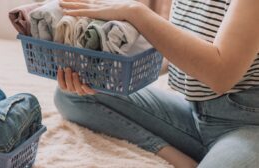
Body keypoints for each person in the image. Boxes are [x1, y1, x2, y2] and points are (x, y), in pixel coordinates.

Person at [54, 0, 259, 167]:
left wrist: (135, 12)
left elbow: (220, 75)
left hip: (248, 125)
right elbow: (179, 53)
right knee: (76, 94)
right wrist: (104, 73)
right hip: (196, 113)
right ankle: (183, 161)